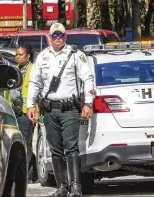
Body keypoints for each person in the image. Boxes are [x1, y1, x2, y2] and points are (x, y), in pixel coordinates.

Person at [26, 23, 94, 197]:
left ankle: (76, 186)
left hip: (69, 109)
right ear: (50, 37)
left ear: (65, 37)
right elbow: (35, 82)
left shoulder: (76, 55)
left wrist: (88, 102)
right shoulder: (42, 57)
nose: (58, 39)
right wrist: (30, 105)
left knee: (71, 148)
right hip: (50, 110)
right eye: (54, 35)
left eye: (60, 35)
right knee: (55, 149)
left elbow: (87, 78)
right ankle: (62, 186)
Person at [4, 44, 39, 183]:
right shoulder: (15, 70)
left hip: (27, 112)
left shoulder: (33, 70)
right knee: (18, 143)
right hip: (14, 112)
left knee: (26, 143)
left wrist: (35, 110)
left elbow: (36, 93)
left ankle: (28, 176)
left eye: (20, 55)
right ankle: (30, 172)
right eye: (16, 55)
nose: (17, 57)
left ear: (28, 56)